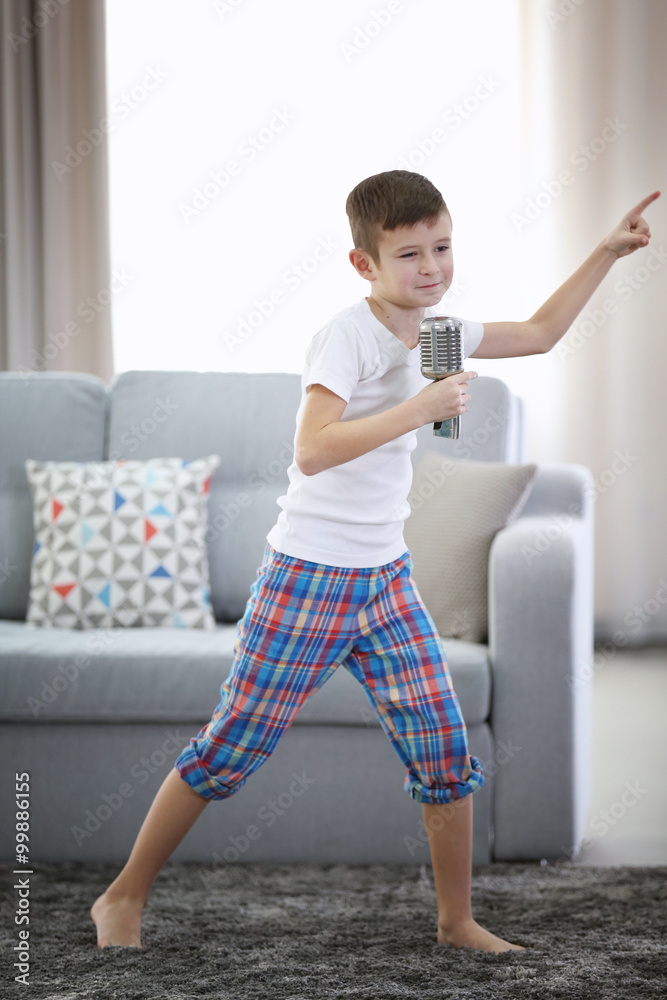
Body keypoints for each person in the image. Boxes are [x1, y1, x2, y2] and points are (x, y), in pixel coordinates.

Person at [92, 170, 659, 952]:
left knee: (443, 751)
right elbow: (313, 449)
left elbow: (537, 332)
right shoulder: (347, 335)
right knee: (229, 750)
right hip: (308, 576)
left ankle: (455, 921)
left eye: (442, 248)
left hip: (384, 580)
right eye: (409, 255)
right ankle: (120, 897)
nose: (430, 269)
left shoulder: (438, 329)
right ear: (365, 265)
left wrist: (604, 251)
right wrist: (417, 410)